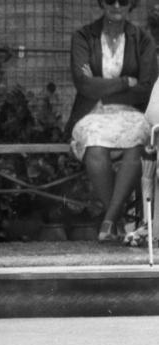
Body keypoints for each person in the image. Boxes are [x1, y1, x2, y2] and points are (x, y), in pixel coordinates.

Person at [66, 0, 157, 242]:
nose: (116, 5)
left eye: (124, 1)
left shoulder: (143, 39)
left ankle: (109, 219)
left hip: (132, 111)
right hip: (93, 112)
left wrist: (99, 86)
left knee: (139, 143)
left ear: (132, 5)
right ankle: (114, 220)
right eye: (110, 0)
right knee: (95, 145)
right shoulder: (84, 36)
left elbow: (146, 87)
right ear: (101, 3)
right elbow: (82, 83)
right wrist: (126, 81)